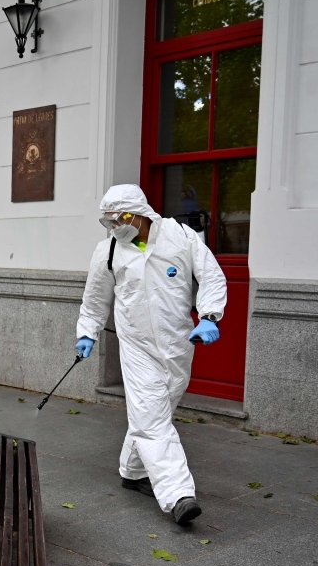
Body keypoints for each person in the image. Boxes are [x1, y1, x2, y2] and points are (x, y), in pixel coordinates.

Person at [75, 184, 226, 525]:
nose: (114, 228)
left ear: (137, 213)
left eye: (118, 220)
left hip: (177, 345)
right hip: (137, 347)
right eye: (108, 223)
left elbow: (211, 278)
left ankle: (131, 471)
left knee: (155, 412)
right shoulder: (108, 252)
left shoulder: (181, 237)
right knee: (151, 416)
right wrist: (87, 332)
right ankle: (177, 496)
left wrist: (209, 316)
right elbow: (95, 298)